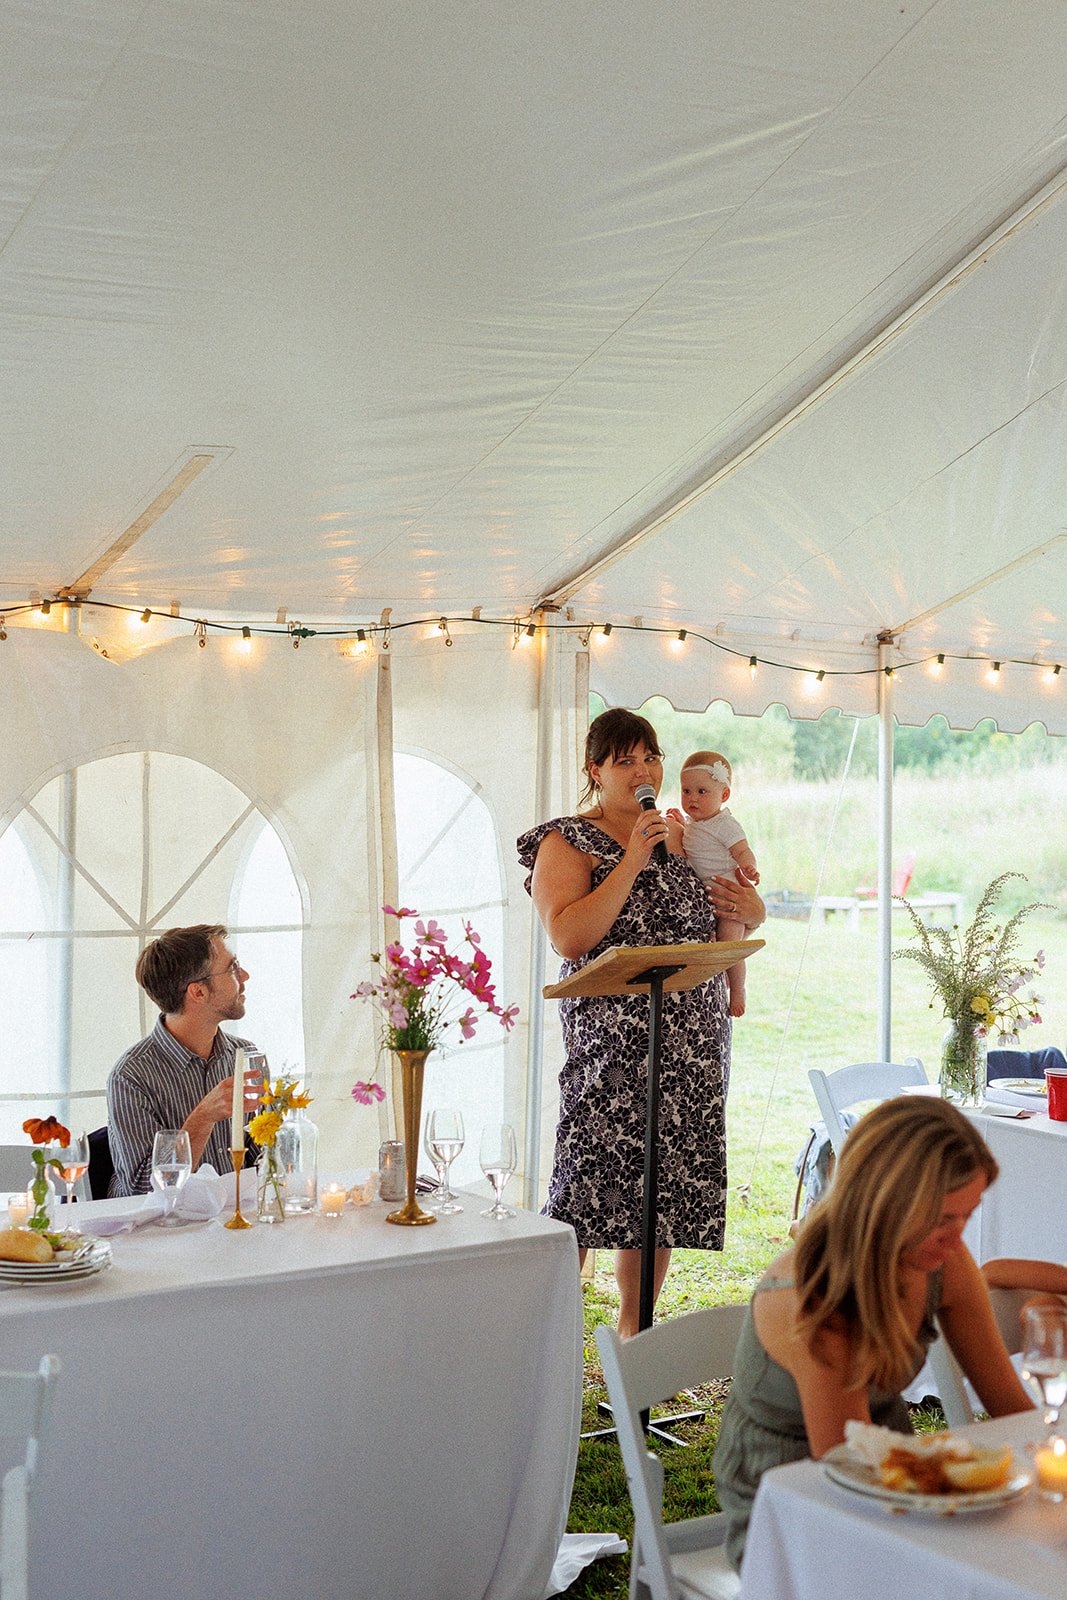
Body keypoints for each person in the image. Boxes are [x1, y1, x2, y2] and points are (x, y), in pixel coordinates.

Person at [517, 707, 765, 1336]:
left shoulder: (690, 833)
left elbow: (727, 910)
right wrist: (631, 858)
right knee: (588, 1179)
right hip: (613, 1045)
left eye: (649, 757)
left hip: (693, 1036)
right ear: (594, 770)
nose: (642, 771)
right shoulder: (567, 839)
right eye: (624, 760)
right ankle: (546, 1344)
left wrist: (753, 910)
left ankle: (636, 1339)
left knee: (664, 1193)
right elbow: (570, 937)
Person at [714, 1096, 1034, 1572]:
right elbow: (846, 1470)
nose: (958, 1237)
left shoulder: (944, 1261)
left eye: (968, 1216)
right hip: (791, 1497)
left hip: (890, 1464)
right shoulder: (815, 1299)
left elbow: (1010, 1405)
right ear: (887, 1204)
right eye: (945, 1218)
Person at [106, 924, 262, 1196]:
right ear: (198, 992)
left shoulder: (245, 1057)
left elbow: (265, 1161)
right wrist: (203, 1117)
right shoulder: (131, 1075)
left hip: (230, 1223)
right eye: (233, 968)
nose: (245, 975)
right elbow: (143, 1190)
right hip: (160, 1231)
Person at [675, 750, 758, 1017]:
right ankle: (724, 982)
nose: (692, 799)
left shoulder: (725, 824)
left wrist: (749, 866)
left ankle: (737, 989)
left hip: (729, 895)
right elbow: (690, 840)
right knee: (719, 946)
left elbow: (742, 849)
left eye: (701, 792)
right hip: (710, 898)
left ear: (723, 795)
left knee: (730, 950)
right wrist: (680, 822)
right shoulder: (693, 823)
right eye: (686, 791)